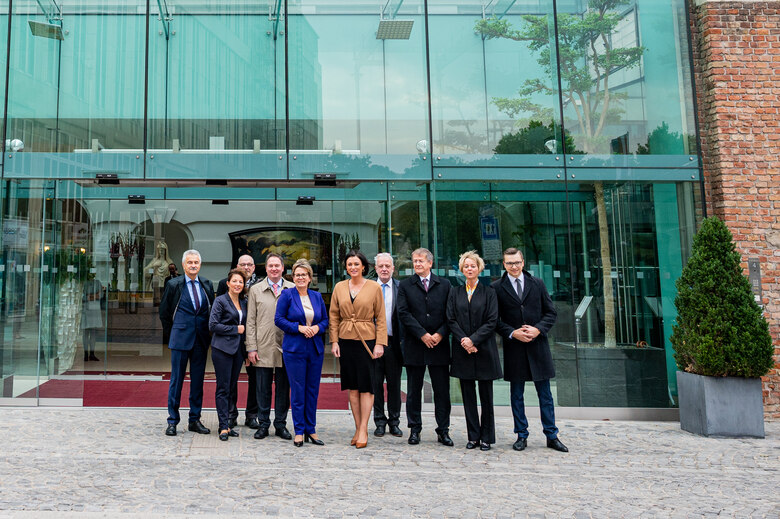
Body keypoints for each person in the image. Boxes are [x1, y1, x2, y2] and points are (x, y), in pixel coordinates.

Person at [492, 247, 567, 453]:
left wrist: (538, 329)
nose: (514, 266)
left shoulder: (537, 283)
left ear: (523, 262)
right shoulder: (497, 287)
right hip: (514, 348)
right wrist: (512, 333)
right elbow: (494, 320)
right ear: (504, 265)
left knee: (545, 395)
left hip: (538, 347)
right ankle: (521, 434)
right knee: (517, 395)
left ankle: (551, 435)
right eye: (509, 263)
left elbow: (550, 313)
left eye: (517, 262)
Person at [330, 250, 387, 449]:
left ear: (363, 266)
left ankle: (364, 428)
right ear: (346, 267)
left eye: (356, 264)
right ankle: (357, 427)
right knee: (352, 387)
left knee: (367, 386)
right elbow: (334, 316)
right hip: (346, 340)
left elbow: (381, 317)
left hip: (367, 340)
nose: (353, 267)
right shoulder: (339, 287)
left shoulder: (374, 287)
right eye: (349, 264)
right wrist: (334, 341)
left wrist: (380, 343)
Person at [397, 247, 453, 446]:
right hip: (415, 344)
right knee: (413, 390)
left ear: (430, 263)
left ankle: (443, 430)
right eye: (415, 261)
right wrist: (422, 334)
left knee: (442, 391)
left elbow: (451, 314)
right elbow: (403, 313)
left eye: (421, 261)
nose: (417, 264)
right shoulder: (405, 285)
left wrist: (439, 334)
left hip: (439, 345)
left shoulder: (445, 285)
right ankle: (415, 429)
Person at [447, 250, 501, 451]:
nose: (470, 269)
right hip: (463, 350)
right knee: (468, 396)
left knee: (486, 397)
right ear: (462, 269)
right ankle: (473, 436)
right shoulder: (455, 292)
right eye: (466, 266)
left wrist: (473, 340)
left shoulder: (489, 292)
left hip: (483, 349)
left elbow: (492, 320)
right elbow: (450, 319)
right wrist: (464, 340)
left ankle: (487, 437)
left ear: (479, 269)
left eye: (473, 266)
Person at [159, 249, 215, 436]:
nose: (193, 265)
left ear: (200, 265)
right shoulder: (174, 284)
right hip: (180, 339)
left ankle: (195, 419)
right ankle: (172, 421)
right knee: (176, 381)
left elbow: (211, 311)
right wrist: (173, 334)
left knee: (197, 382)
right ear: (183, 265)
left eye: (196, 262)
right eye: (190, 262)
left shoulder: (206, 284)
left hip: (200, 340)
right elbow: (164, 312)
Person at [274, 259, 329, 447]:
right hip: (294, 349)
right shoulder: (287, 295)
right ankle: (298, 430)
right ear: (293, 277)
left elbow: (325, 321)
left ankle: (310, 429)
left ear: (310, 277)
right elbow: (278, 319)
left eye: (304, 275)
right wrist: (298, 328)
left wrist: (317, 328)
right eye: (297, 275)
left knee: (312, 390)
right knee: (298, 390)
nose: (300, 278)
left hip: (314, 348)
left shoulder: (317, 296)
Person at [246, 253, 294, 441]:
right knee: (262, 389)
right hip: (262, 346)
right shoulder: (255, 290)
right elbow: (250, 321)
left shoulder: (292, 288)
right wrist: (251, 347)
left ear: (283, 268)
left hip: (286, 346)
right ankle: (263, 424)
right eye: (270, 266)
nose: (274, 269)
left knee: (283, 389)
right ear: (265, 269)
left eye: (277, 265)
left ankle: (280, 424)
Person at [217, 254, 261, 430]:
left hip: (253, 339)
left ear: (254, 267)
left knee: (255, 378)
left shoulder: (260, 285)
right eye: (243, 264)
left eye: (249, 264)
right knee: (230, 379)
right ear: (237, 266)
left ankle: (252, 415)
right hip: (232, 339)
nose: (246, 267)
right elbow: (219, 313)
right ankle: (230, 414)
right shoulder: (225, 284)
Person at [209, 269, 248, 441]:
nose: (238, 284)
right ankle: (223, 426)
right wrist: (235, 329)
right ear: (228, 283)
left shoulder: (243, 302)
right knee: (223, 388)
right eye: (235, 281)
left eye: (241, 282)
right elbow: (213, 325)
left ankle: (229, 423)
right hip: (222, 349)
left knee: (232, 387)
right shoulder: (220, 301)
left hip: (237, 350)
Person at [372, 252, 404, 438]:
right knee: (376, 384)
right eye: (381, 266)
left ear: (393, 268)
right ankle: (379, 421)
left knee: (394, 384)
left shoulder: (401, 288)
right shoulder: (368, 288)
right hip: (373, 344)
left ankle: (394, 421)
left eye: (387, 266)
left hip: (393, 343)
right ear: (375, 268)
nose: (384, 269)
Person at [82, 275, 103, 362]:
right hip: (86, 309)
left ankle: (92, 353)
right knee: (86, 332)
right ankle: (86, 353)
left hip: (95, 309)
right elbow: (82, 296)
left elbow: (100, 295)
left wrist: (89, 296)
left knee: (93, 332)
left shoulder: (97, 283)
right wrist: (94, 295)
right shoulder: (83, 283)